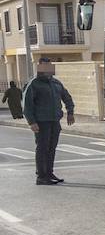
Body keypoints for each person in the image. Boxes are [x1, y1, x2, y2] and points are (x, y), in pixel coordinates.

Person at [22, 58, 76, 186]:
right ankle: (41, 176)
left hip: (54, 121)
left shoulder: (56, 83)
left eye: (49, 66)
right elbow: (27, 105)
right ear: (40, 67)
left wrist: (70, 112)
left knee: (52, 148)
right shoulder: (33, 84)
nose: (48, 69)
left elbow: (66, 97)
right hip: (41, 122)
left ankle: (49, 173)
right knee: (42, 148)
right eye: (45, 66)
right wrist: (32, 122)